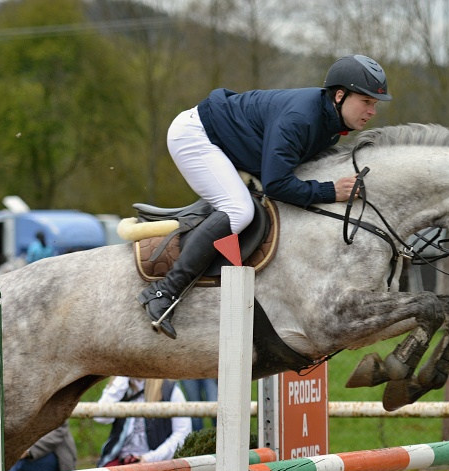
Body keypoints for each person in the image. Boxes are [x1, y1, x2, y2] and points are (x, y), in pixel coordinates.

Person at [137, 54, 393, 339]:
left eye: (374, 104)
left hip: (223, 143)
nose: (372, 111)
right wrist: (331, 191)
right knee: (239, 210)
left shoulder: (328, 124)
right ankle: (164, 291)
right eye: (366, 102)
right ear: (340, 95)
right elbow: (277, 184)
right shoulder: (301, 118)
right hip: (195, 137)